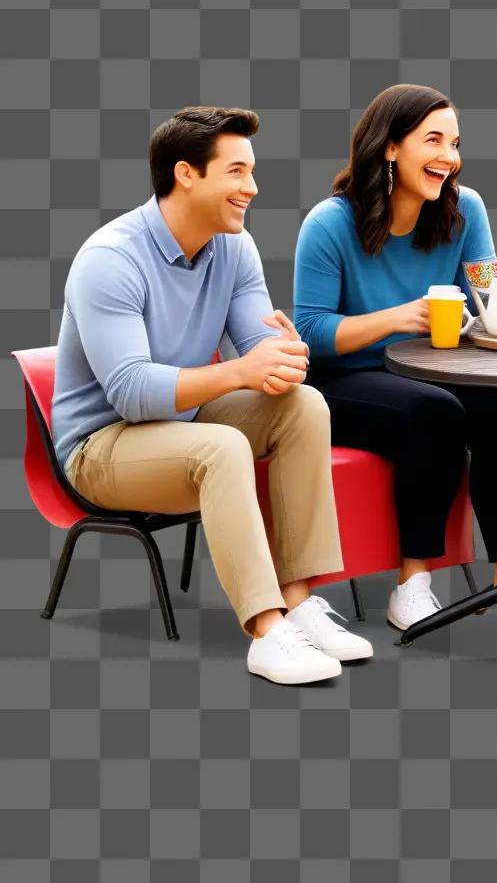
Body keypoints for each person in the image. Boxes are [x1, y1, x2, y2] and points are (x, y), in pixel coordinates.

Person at [51, 107, 372, 686]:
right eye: (237, 172)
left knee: (303, 407)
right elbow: (129, 394)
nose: (252, 187)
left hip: (185, 421)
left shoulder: (235, 247)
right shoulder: (110, 259)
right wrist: (242, 371)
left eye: (251, 172)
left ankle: (298, 603)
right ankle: (266, 630)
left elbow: (258, 350)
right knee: (222, 447)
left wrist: (287, 358)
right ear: (186, 174)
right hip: (100, 448)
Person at [293, 84, 497, 629]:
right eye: (434, 140)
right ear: (390, 147)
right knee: (435, 412)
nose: (450, 156)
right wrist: (399, 317)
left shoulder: (464, 210)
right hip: (340, 381)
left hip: (425, 372)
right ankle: (413, 581)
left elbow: (487, 291)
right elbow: (310, 332)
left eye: (455, 143)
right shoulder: (329, 224)